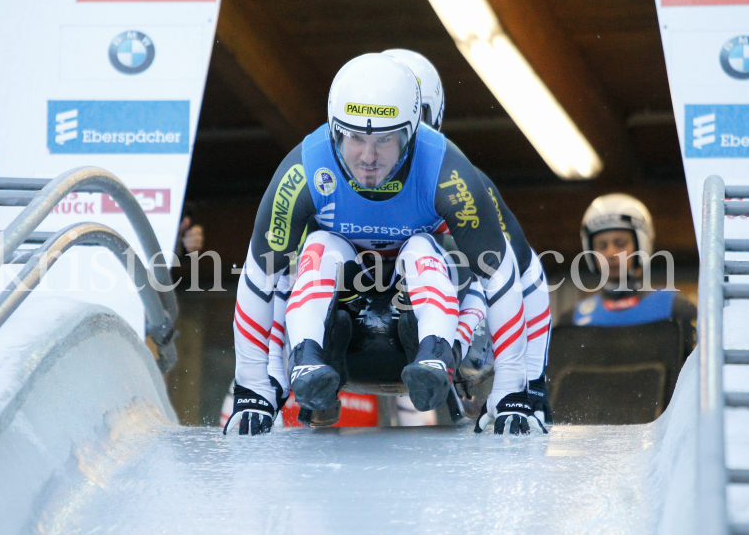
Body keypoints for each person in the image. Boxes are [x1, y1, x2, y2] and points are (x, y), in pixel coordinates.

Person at [225, 53, 536, 436]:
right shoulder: (303, 169)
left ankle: (438, 352)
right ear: (333, 128)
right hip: (341, 315)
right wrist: (252, 389)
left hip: (431, 309)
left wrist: (516, 390)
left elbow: (509, 274)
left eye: (385, 140)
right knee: (317, 246)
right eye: (355, 137)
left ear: (415, 131)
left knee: (422, 248)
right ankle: (306, 359)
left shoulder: (449, 173)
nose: (369, 158)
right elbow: (260, 275)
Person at [382, 49, 553, 426]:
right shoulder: (331, 177)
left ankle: (446, 349)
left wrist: (531, 384)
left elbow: (525, 270)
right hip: (368, 320)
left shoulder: (460, 181)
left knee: (450, 255)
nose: (390, 142)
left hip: (458, 319)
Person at [562, 193, 696, 355]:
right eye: (602, 245)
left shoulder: (677, 309)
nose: (611, 253)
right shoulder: (571, 321)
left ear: (642, 245)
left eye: (620, 243)